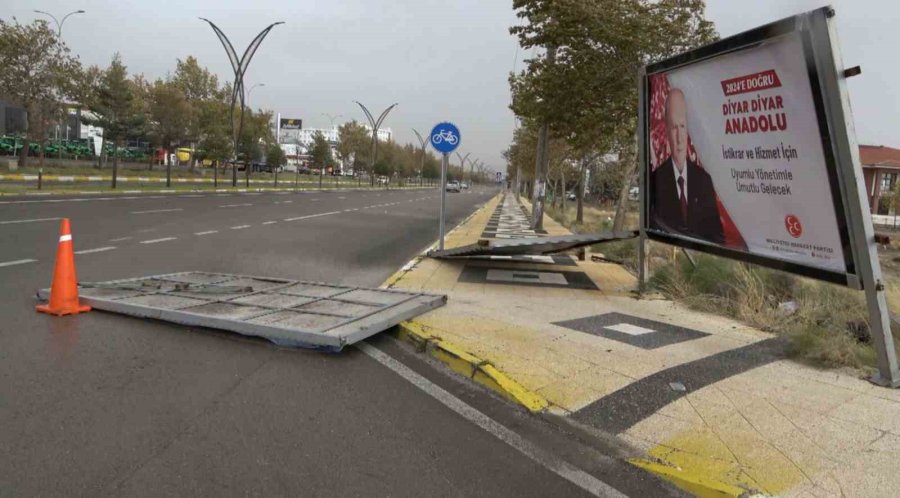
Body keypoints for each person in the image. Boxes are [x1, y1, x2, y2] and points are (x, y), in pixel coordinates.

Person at [650, 88, 724, 244]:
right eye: (674, 127)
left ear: (688, 127)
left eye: (682, 126)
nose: (679, 138)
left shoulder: (704, 180)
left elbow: (717, 238)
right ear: (666, 129)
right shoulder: (655, 179)